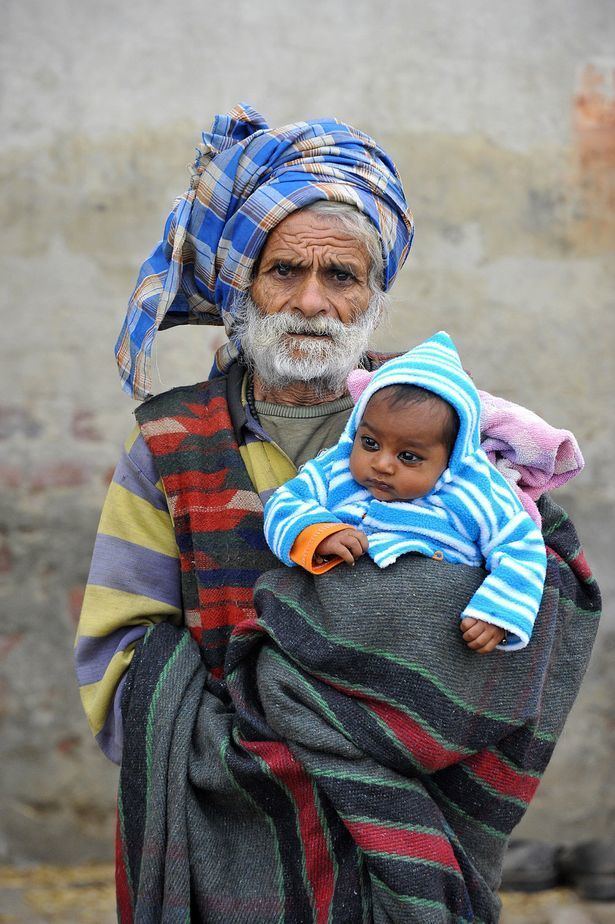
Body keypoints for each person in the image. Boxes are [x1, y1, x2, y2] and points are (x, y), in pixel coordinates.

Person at [74, 105, 600, 922]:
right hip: (224, 814)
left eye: (342, 276)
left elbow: (546, 588)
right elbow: (119, 654)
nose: (312, 301)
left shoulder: (448, 422)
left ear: (374, 296)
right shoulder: (168, 444)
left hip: (411, 809)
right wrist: (251, 756)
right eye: (284, 270)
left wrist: (401, 712)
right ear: (242, 284)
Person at [264, 331, 547, 653]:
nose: (382, 464)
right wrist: (317, 533)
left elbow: (522, 545)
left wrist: (497, 614)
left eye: (409, 456)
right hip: (335, 626)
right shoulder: (335, 468)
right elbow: (285, 501)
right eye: (370, 443)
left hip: (426, 634)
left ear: (451, 457)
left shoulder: (474, 492)